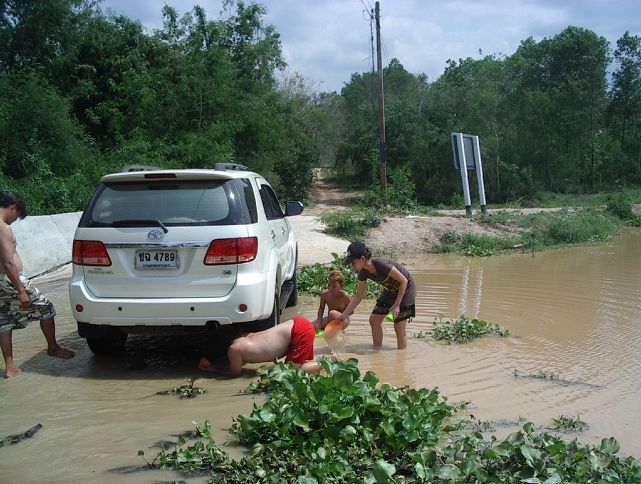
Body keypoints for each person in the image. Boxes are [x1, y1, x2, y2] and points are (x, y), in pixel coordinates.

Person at [0, 193, 75, 378]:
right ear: (12, 207)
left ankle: (10, 368)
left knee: (5, 320)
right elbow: (8, 262)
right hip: (10, 279)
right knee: (47, 308)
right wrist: (21, 290)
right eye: (16, 216)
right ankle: (53, 347)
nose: (14, 221)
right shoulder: (2, 227)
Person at [337, 241, 416, 350]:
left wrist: (397, 304)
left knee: (398, 326)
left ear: (363, 259)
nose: (352, 265)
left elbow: (404, 281)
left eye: (353, 262)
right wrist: (344, 315)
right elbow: (358, 297)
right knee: (374, 320)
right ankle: (377, 349)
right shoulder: (363, 272)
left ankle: (401, 359)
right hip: (390, 292)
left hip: (406, 290)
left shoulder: (381, 264)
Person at [198, 316, 321, 377]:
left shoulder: (234, 350)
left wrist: (213, 369)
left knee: (292, 372)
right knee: (303, 363)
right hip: (298, 323)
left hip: (299, 331)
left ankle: (330, 361)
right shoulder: (243, 336)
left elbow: (234, 373)